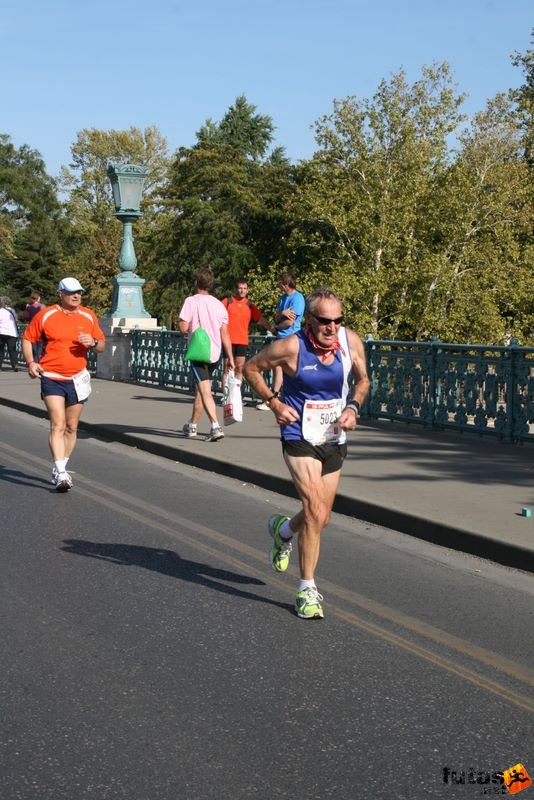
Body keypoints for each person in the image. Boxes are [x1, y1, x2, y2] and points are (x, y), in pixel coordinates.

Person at [244, 287, 370, 619]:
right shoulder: (291, 347)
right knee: (314, 508)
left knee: (321, 517)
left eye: (338, 320)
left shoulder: (349, 341)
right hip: (299, 433)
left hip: (333, 436)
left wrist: (354, 408)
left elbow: (363, 380)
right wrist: (274, 403)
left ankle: (283, 531)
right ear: (310, 320)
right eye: (325, 321)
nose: (332, 327)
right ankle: (307, 590)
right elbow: (252, 368)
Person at [21, 277, 105, 493]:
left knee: (71, 426)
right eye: (71, 292)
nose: (76, 296)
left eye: (79, 292)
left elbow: (102, 345)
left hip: (77, 379)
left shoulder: (88, 315)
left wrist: (93, 342)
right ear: (60, 293)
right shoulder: (47, 314)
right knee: (57, 423)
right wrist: (31, 363)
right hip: (51, 376)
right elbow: (28, 338)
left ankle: (61, 468)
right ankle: (60, 472)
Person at [179, 268, 235, 442]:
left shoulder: (190, 301)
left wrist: (187, 325)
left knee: (204, 390)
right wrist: (230, 357)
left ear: (196, 283)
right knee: (201, 390)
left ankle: (215, 426)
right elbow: (225, 333)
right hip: (215, 353)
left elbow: (183, 327)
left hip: (198, 352)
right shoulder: (219, 305)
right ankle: (192, 426)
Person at [256, 272, 305, 409]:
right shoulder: (283, 298)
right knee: (278, 367)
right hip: (281, 337)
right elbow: (277, 316)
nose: (278, 286)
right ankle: (275, 398)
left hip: (291, 337)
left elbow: (290, 322)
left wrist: (276, 328)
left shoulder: (298, 298)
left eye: (280, 283)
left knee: (286, 368)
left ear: (285, 284)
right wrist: (281, 314)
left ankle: (274, 398)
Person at [221, 279, 275, 384]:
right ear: (235, 289)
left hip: (242, 341)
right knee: (227, 368)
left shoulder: (250, 305)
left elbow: (260, 320)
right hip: (228, 340)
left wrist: (272, 329)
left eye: (244, 288)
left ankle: (236, 396)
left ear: (248, 290)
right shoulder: (227, 302)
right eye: (240, 288)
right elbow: (216, 317)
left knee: (240, 368)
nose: (242, 291)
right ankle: (225, 397)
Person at [22, 292, 46, 362]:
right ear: (38, 298)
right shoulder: (42, 306)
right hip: (41, 328)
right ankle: (38, 362)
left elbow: (26, 317)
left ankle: (33, 362)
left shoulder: (29, 307)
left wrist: (27, 308)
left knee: (33, 346)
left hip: (32, 328)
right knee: (40, 347)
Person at [0, 296, 20, 371]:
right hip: (12, 333)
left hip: (1, 332)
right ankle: (14, 365)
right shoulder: (12, 311)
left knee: (1, 350)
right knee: (12, 350)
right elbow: (16, 320)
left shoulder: (0, 311)